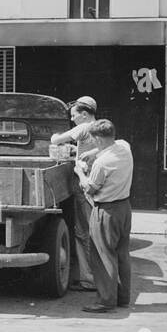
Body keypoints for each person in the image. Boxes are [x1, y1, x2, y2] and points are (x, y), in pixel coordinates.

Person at [77, 119, 134, 313]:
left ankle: (105, 301)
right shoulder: (124, 149)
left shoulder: (102, 163)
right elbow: (121, 142)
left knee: (103, 256)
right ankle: (122, 298)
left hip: (106, 211)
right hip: (124, 208)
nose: (92, 142)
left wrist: (80, 173)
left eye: (93, 140)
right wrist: (94, 152)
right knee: (122, 254)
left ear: (99, 139)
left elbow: (90, 189)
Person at [50, 96, 101, 293]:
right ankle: (97, 276)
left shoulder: (83, 127)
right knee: (93, 230)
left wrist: (56, 136)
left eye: (74, 115)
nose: (72, 120)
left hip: (84, 183)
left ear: (85, 114)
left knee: (83, 232)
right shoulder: (101, 127)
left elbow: (57, 139)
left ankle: (89, 279)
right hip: (98, 183)